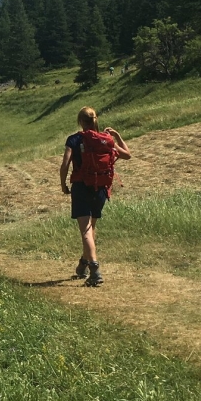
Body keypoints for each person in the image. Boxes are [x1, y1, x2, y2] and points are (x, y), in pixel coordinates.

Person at [59, 107, 131, 287]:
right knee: (90, 229)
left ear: (80, 121)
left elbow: (65, 164)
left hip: (81, 187)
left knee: (85, 231)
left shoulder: (74, 139)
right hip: (100, 189)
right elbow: (127, 155)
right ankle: (83, 264)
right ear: (95, 120)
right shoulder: (105, 139)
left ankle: (95, 270)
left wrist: (63, 184)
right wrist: (118, 136)